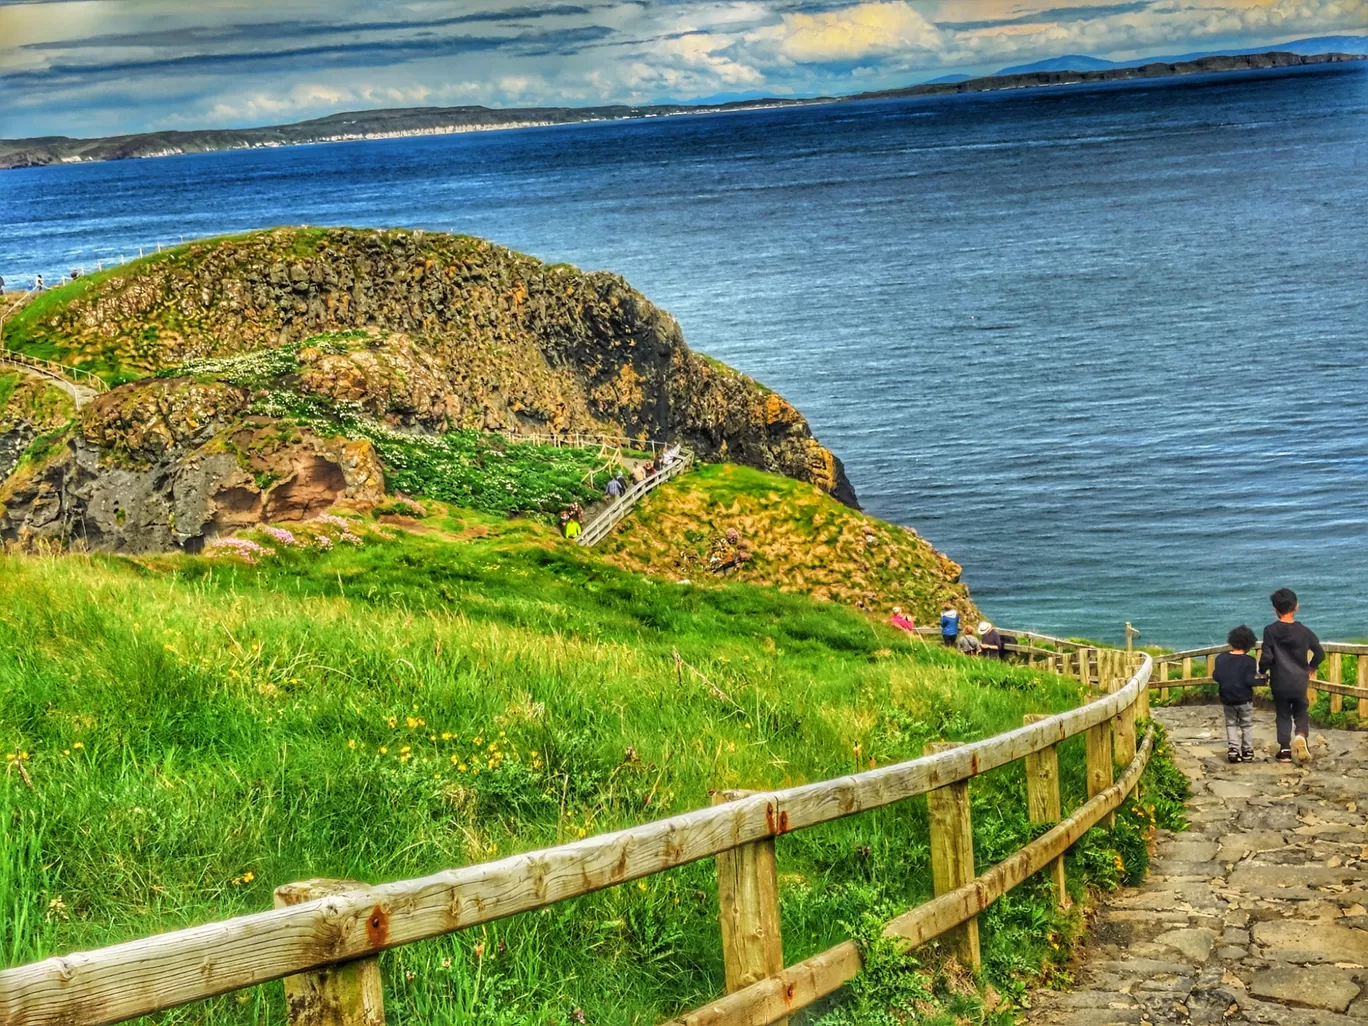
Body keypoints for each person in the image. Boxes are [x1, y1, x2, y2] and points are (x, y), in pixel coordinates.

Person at [1259, 588, 1323, 764]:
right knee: (1301, 711)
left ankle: (1285, 750)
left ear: (1275, 609)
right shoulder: (1304, 631)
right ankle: (1301, 736)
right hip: (1299, 680)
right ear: (1296, 607)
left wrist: (1262, 670)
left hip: (1280, 680)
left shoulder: (1270, 631)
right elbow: (1320, 653)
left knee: (1283, 714)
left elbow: (1267, 657)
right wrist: (1312, 667)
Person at [1214, 625, 1260, 763]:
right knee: (1246, 725)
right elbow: (1250, 680)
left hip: (1227, 699)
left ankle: (1233, 749)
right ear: (1249, 644)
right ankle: (1247, 751)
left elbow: (1217, 676)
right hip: (1244, 699)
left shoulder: (1220, 658)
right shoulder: (1249, 661)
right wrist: (1264, 680)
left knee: (1231, 724)